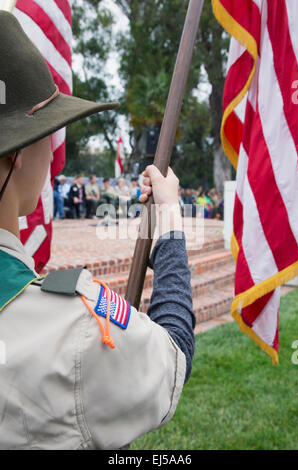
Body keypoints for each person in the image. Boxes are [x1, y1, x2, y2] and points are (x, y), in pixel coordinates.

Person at [0, 11, 195, 450]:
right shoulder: (73, 327)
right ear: (17, 152)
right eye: (47, 134)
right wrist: (168, 225)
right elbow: (174, 353)